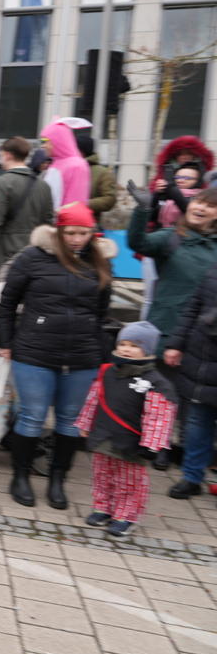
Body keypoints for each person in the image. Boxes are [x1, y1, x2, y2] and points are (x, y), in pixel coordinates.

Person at [0, 203, 114, 509]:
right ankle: (20, 476)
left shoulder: (99, 264)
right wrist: (5, 341)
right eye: (71, 233)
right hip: (34, 352)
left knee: (70, 422)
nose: (77, 239)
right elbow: (8, 301)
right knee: (32, 416)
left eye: (84, 233)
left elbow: (101, 312)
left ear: (92, 233)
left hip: (81, 356)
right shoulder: (32, 258)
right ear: (59, 231)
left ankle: (57, 479)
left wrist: (97, 347)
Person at [74, 322, 177, 538]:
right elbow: (94, 400)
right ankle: (103, 507)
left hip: (131, 441)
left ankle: (126, 516)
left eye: (134, 345)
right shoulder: (108, 372)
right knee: (102, 475)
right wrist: (85, 424)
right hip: (104, 435)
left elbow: (158, 416)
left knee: (129, 481)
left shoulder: (155, 383)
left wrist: (151, 444)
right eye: (123, 343)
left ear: (147, 350)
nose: (126, 349)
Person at [127, 185, 217, 354]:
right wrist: (142, 210)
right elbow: (138, 243)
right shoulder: (171, 236)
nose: (200, 207)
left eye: (210, 206)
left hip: (204, 335)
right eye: (197, 202)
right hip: (166, 329)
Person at [163, 265, 217, 500]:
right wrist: (176, 343)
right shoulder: (213, 271)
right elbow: (193, 308)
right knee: (197, 423)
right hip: (202, 359)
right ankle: (192, 478)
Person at [0, 136, 54, 281]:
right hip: (35, 250)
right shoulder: (44, 186)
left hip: (6, 250)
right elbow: (49, 222)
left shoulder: (1, 183)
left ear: (8, 155)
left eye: (0, 155)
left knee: (3, 292)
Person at [40, 117, 91, 207]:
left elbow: (52, 202)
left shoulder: (67, 166)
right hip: (72, 218)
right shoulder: (79, 163)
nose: (43, 146)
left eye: (45, 141)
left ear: (57, 140)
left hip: (64, 219)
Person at [77, 135, 118, 226]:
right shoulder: (69, 168)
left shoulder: (103, 173)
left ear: (81, 151)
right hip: (65, 222)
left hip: (89, 225)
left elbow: (110, 199)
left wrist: (84, 203)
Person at [154, 162, 205, 229]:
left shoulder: (201, 196)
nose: (180, 180)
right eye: (177, 177)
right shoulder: (168, 192)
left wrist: (172, 188)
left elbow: (187, 208)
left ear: (197, 181)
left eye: (187, 178)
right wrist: (157, 194)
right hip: (161, 234)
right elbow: (152, 217)